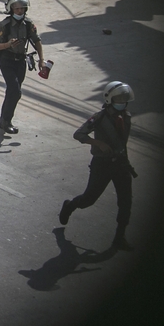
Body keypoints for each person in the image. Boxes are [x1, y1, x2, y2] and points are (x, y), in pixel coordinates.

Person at [59, 82, 137, 251]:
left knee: (126, 202)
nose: (122, 102)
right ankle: (70, 206)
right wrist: (97, 143)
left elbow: (122, 143)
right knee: (89, 199)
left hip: (121, 163)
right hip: (102, 164)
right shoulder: (99, 118)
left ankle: (119, 237)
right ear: (110, 99)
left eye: (124, 99)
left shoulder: (126, 117)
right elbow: (79, 134)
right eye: (119, 99)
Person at [0, 0, 45, 134]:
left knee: (13, 92)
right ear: (11, 9)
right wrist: (7, 44)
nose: (20, 11)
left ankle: (4, 121)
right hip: (7, 61)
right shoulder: (4, 25)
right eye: (17, 9)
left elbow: (37, 41)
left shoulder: (28, 24)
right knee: (15, 91)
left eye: (22, 8)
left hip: (21, 62)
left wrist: (41, 60)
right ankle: (6, 122)